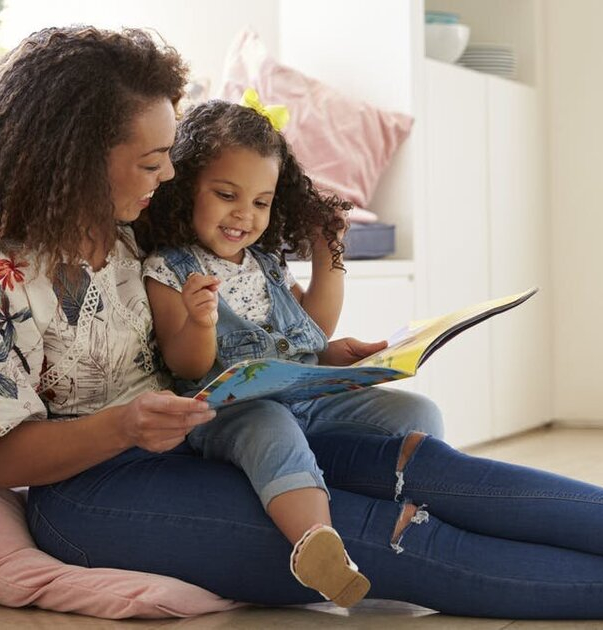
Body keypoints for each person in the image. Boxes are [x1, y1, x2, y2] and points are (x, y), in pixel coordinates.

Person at [0, 25, 603, 624]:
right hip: (99, 496)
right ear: (76, 159)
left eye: (169, 159)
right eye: (151, 160)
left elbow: (232, 298)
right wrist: (123, 423)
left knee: (429, 468)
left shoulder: (137, 244)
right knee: (387, 538)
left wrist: (316, 361)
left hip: (202, 436)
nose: (165, 178)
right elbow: (0, 455)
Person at [135, 96, 442, 607]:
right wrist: (199, 320)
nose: (244, 214)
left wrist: (331, 262)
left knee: (417, 410)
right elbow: (184, 365)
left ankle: (413, 508)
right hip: (231, 412)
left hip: (308, 396)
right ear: (187, 187)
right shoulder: (170, 269)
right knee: (270, 428)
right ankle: (318, 545)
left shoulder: (266, 263)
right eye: (227, 194)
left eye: (261, 202)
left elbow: (313, 331)